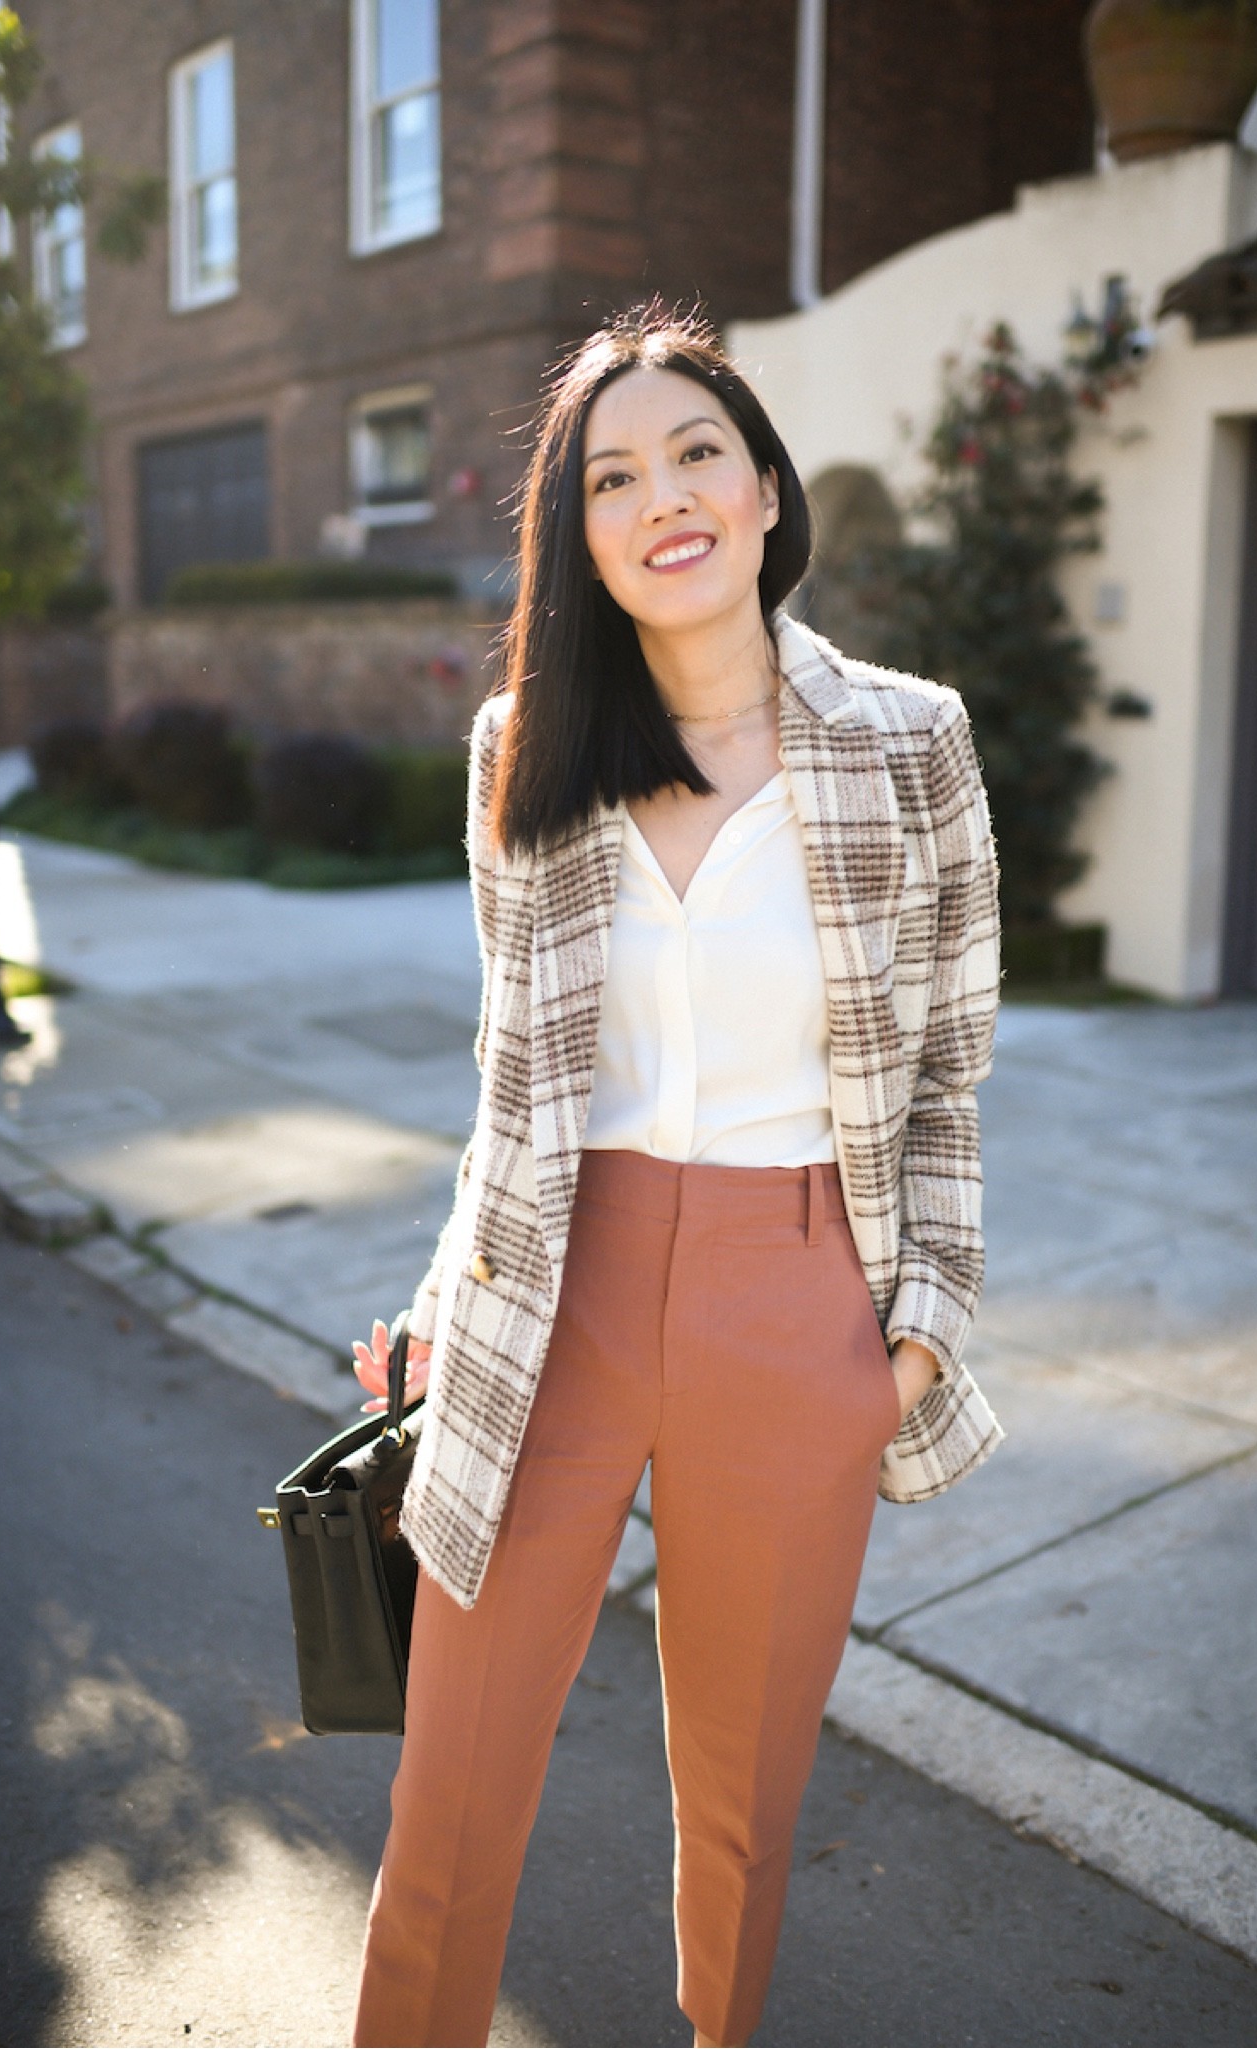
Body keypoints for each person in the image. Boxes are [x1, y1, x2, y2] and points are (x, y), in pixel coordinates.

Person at [349, 302, 1004, 2049]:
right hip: (551, 1291)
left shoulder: (910, 744)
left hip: (799, 1304)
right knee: (450, 1795)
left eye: (698, 451)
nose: (664, 498)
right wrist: (436, 1306)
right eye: (612, 476)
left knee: (739, 1804)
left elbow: (946, 1077)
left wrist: (916, 1331)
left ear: (769, 491)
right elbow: (510, 1089)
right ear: (581, 539)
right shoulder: (523, 752)